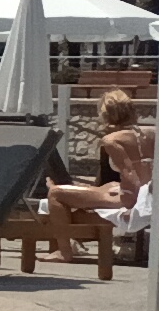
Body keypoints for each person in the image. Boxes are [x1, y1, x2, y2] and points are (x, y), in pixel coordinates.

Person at [51, 90, 152, 218]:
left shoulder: (112, 140)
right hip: (146, 195)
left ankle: (65, 231)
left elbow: (122, 177)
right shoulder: (147, 135)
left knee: (55, 193)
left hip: (127, 197)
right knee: (101, 188)